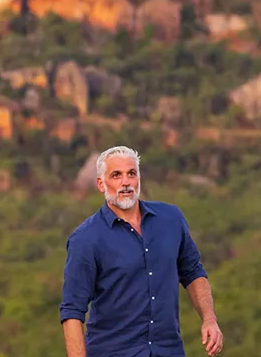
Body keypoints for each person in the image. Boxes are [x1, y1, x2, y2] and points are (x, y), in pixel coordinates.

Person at [61, 146, 224, 357]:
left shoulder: (171, 219)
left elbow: (193, 272)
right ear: (101, 184)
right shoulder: (86, 239)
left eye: (131, 173)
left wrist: (209, 319)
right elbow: (72, 311)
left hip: (168, 351)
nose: (126, 182)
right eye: (116, 175)